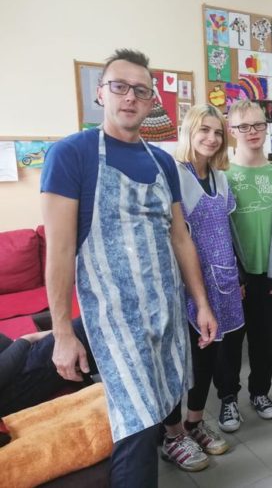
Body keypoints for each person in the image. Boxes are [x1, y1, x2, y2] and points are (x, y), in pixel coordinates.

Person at [40, 49, 217, 487]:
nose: (130, 97)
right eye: (119, 86)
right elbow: (59, 251)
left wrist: (200, 303)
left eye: (141, 90)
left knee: (164, 396)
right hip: (115, 322)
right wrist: (62, 333)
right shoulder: (71, 154)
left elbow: (180, 237)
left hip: (166, 311)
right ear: (101, 93)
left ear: (152, 100)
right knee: (135, 428)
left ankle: (175, 440)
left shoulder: (162, 163)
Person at [159, 104, 246, 471]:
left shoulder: (221, 178)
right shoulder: (174, 176)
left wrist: (237, 277)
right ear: (189, 132)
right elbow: (173, 237)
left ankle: (194, 422)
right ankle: (173, 433)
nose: (211, 138)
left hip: (222, 281)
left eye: (218, 132)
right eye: (204, 130)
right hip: (186, 284)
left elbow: (227, 232)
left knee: (210, 355)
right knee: (181, 360)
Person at [220, 100, 272, 428]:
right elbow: (217, 231)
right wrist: (233, 275)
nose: (252, 132)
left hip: (268, 274)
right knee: (231, 343)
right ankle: (228, 399)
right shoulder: (222, 176)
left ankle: (260, 392)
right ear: (231, 130)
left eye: (259, 125)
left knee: (264, 342)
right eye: (244, 126)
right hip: (234, 278)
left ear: (267, 127)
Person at [0, 319, 96, 418]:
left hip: (44, 356)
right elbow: (24, 342)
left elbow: (22, 343)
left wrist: (62, 333)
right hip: (40, 363)